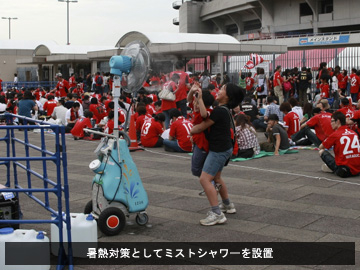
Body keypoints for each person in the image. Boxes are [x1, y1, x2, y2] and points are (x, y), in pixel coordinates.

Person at [190, 83, 244, 226]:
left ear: (228, 96)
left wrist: (191, 130)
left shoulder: (219, 111)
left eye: (222, 89)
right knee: (217, 178)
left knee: (205, 179)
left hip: (218, 150)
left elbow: (201, 126)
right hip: (224, 148)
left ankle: (216, 214)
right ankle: (227, 205)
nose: (218, 91)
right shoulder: (223, 109)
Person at [319, 112, 360, 178]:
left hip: (345, 170)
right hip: (358, 169)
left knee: (321, 152)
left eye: (332, 121)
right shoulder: (354, 133)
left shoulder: (336, 134)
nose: (330, 123)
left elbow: (321, 147)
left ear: (337, 121)